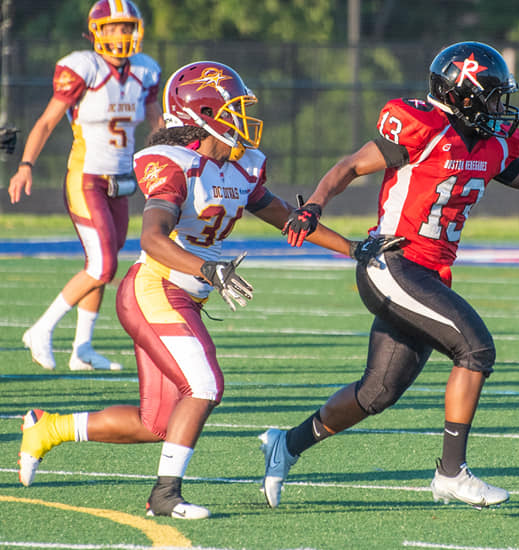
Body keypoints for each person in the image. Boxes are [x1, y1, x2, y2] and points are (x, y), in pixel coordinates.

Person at [260, 41, 519, 509]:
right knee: (476, 347)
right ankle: (450, 472)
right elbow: (348, 167)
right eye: (491, 96)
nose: (499, 107)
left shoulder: (491, 146)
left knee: (377, 392)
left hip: (429, 275)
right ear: (465, 96)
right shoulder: (421, 127)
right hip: (392, 262)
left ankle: (287, 444)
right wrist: (316, 205)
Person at [15, 60, 392, 519]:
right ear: (204, 113)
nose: (244, 118)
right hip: (153, 289)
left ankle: (46, 428)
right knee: (205, 384)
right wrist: (209, 270)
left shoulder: (240, 166)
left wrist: (352, 247)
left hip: (184, 295)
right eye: (233, 109)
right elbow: (152, 239)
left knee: (157, 422)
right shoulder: (175, 165)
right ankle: (164, 495)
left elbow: (280, 217)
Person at [8, 0, 162, 372]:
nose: (122, 34)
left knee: (104, 262)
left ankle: (82, 349)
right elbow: (46, 122)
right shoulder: (83, 67)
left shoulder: (145, 70)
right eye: (114, 27)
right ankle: (41, 329)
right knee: (103, 264)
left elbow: (158, 127)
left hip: (122, 181)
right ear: (97, 31)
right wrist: (26, 164)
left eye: (127, 27)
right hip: (86, 177)